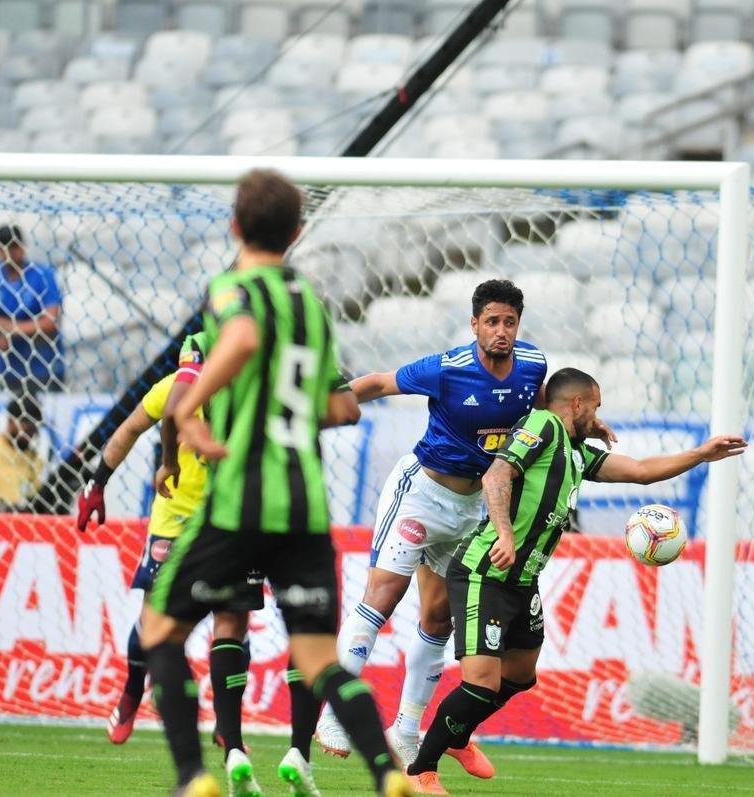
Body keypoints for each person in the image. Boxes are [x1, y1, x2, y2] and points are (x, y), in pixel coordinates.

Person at [140, 168, 410, 797]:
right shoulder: (312, 310)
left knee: (159, 630)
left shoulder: (234, 288)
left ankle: (193, 778)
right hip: (304, 506)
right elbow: (343, 408)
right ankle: (387, 773)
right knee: (319, 659)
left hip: (239, 500)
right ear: (297, 232)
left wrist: (189, 408)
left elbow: (240, 337)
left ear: (234, 225)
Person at [403, 367, 747, 794]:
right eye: (596, 406)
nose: (600, 417)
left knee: (521, 676)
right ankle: (421, 768)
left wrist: (701, 454)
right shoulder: (542, 425)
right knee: (481, 684)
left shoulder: (576, 452)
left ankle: (456, 737)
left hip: (521, 581)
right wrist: (506, 534)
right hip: (486, 570)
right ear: (578, 404)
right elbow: (495, 475)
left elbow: (640, 469)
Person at [319, 279, 612, 772]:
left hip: (474, 504)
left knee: (438, 617)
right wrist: (325, 407)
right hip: (422, 493)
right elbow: (378, 383)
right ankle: (334, 712)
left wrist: (585, 423)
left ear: (519, 325)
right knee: (383, 596)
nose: (501, 331)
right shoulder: (448, 369)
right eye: (492, 321)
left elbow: (543, 404)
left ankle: (406, 731)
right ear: (475, 324)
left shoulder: (533, 365)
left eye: (510, 322)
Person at [76, 331, 318, 795]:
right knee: (156, 622)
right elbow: (128, 430)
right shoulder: (174, 389)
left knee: (232, 619)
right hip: (176, 520)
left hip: (231, 519)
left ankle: (230, 735)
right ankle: (132, 691)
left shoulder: (256, 392)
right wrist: (97, 481)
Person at [0, 224, 66, 395]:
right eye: (3, 247)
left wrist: (8, 332)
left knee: (45, 417)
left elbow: (50, 323)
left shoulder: (43, 274)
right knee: (14, 417)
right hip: (10, 367)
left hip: (45, 365)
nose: (8, 252)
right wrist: (32, 327)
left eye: (13, 246)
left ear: (22, 247)